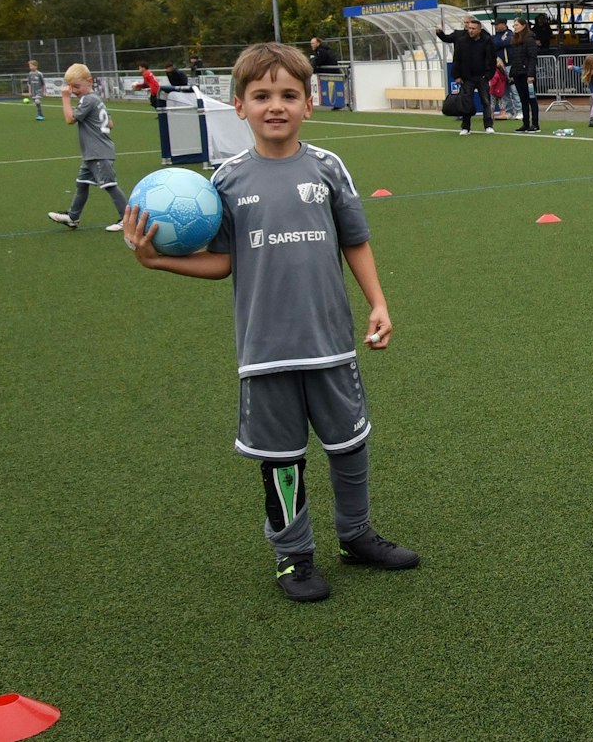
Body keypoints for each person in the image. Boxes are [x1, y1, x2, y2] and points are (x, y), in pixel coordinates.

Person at [123, 42, 415, 603]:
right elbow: (225, 262)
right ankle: (293, 556)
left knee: (349, 445)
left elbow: (354, 239)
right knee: (282, 458)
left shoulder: (327, 168)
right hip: (265, 351)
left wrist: (378, 303)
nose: (275, 106)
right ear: (239, 106)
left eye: (288, 95)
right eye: (261, 96)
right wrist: (159, 259)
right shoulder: (224, 183)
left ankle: (356, 536)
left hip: (330, 343)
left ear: (309, 102)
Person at [46, 64, 128, 232]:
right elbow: (110, 123)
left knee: (110, 185)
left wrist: (65, 97)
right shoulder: (96, 99)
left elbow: (70, 119)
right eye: (71, 87)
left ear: (89, 81)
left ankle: (127, 219)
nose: (74, 90)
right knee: (82, 184)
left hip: (98, 152)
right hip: (92, 152)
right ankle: (73, 217)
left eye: (77, 86)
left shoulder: (88, 99)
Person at [435, 16, 496, 135]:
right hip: (467, 78)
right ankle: (465, 127)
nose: (470, 30)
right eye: (469, 28)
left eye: (473, 28)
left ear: (479, 30)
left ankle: (488, 125)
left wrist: (488, 75)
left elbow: (491, 59)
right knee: (466, 102)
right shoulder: (462, 41)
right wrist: (457, 75)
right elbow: (457, 59)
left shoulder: (487, 40)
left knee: (486, 101)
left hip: (482, 77)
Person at [507, 19, 541, 132]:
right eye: (514, 25)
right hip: (517, 73)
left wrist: (530, 74)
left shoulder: (529, 39)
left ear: (523, 26)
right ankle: (525, 123)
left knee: (531, 99)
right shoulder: (515, 40)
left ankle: (535, 124)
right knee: (523, 99)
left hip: (527, 74)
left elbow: (532, 58)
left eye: (516, 25)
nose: (514, 27)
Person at [489, 20, 520, 120]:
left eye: (497, 24)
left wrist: (501, 43)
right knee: (504, 90)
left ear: (504, 25)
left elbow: (507, 42)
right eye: (495, 25)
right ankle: (509, 111)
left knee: (514, 89)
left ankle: (519, 111)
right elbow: (493, 45)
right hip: (499, 67)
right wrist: (501, 42)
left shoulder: (510, 34)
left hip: (510, 65)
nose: (496, 27)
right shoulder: (494, 36)